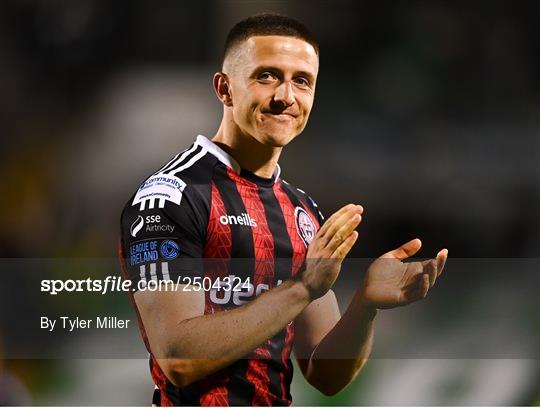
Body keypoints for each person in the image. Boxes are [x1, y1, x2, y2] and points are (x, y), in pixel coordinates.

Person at [119, 13, 448, 406]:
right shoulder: (172, 196)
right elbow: (178, 358)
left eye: (302, 81)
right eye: (267, 76)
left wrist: (365, 306)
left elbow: (324, 375)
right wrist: (302, 288)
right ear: (225, 88)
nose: (286, 97)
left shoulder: (302, 212)